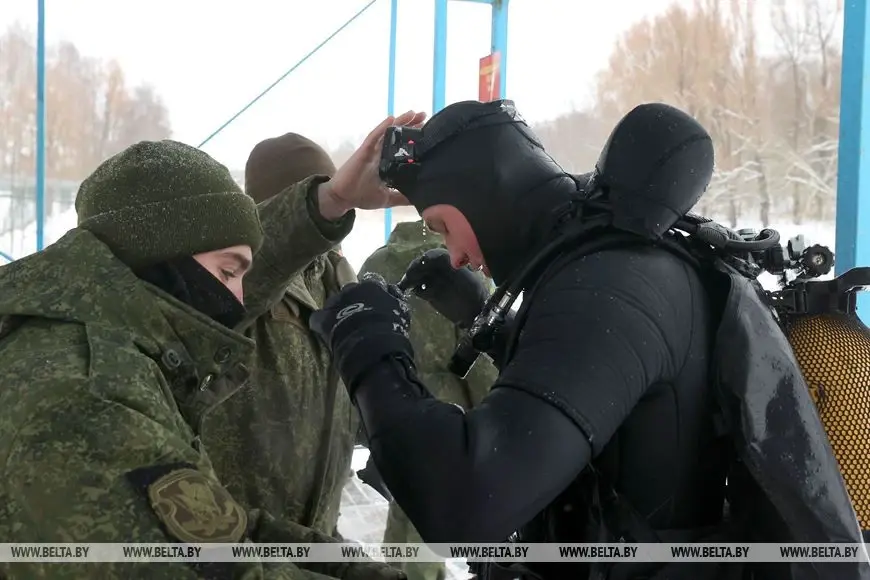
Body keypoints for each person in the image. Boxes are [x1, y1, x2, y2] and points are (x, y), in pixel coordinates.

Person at [309, 100, 868, 580]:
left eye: (441, 224)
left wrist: (369, 344)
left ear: (481, 195)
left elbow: (464, 503)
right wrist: (487, 319)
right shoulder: (621, 265)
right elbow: (614, 411)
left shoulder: (607, 286)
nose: (453, 252)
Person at [0, 109, 425, 579]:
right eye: (228, 272)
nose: (239, 298)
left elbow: (215, 534)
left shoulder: (126, 354)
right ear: (162, 249)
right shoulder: (89, 394)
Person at [202, 133, 359, 539]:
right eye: (318, 194)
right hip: (241, 539)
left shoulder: (333, 277)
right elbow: (265, 257)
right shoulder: (238, 275)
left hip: (316, 533)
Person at [358, 219, 498, 580]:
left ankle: (393, 569)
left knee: (404, 502)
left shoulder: (374, 264)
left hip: (386, 400)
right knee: (430, 515)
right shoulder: (458, 263)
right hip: (445, 411)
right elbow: (480, 352)